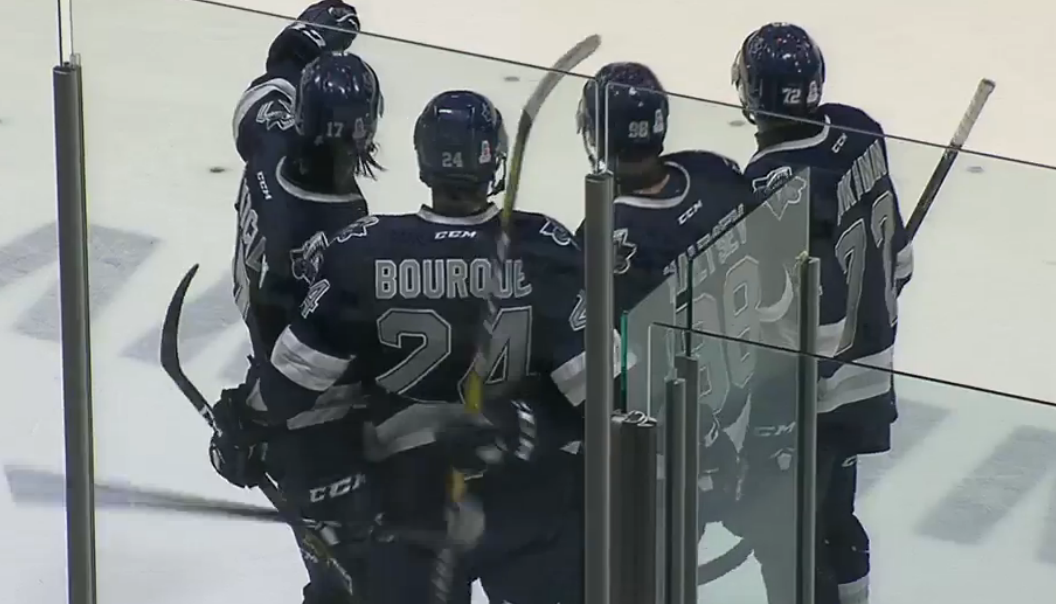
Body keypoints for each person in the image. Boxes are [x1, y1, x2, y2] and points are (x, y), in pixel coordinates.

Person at [232, 89, 598, 604]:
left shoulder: (362, 250)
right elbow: (607, 398)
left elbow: (290, 384)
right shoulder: (546, 248)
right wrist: (522, 423)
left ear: (423, 159)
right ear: (493, 160)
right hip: (526, 499)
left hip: (406, 509)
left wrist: (244, 422)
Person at [208, 4, 390, 604]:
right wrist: (253, 418)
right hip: (310, 423)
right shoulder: (339, 234)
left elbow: (271, 78)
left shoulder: (269, 137)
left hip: (275, 378)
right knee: (354, 580)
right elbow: (316, 354)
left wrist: (310, 37)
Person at [574, 62, 798, 535]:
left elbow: (610, 372)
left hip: (674, 442)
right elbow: (778, 299)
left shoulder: (608, 235)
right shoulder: (714, 172)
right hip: (749, 410)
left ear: (598, 135)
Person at [732, 22, 914, 604]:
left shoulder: (767, 182)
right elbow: (901, 264)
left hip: (814, 395)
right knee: (838, 519)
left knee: (791, 537)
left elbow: (779, 315)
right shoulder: (860, 130)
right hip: (872, 370)